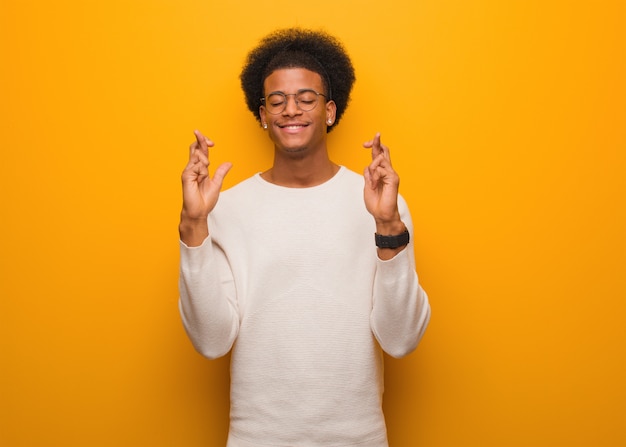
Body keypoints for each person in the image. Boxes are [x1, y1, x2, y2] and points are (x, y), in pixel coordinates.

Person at [178, 28, 431, 447]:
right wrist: (193, 228)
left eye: (306, 99)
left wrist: (388, 229)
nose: (290, 110)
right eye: (276, 101)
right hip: (257, 438)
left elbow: (402, 340)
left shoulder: (381, 204)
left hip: (358, 438)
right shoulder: (224, 209)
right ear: (262, 115)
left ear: (330, 111)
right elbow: (210, 341)